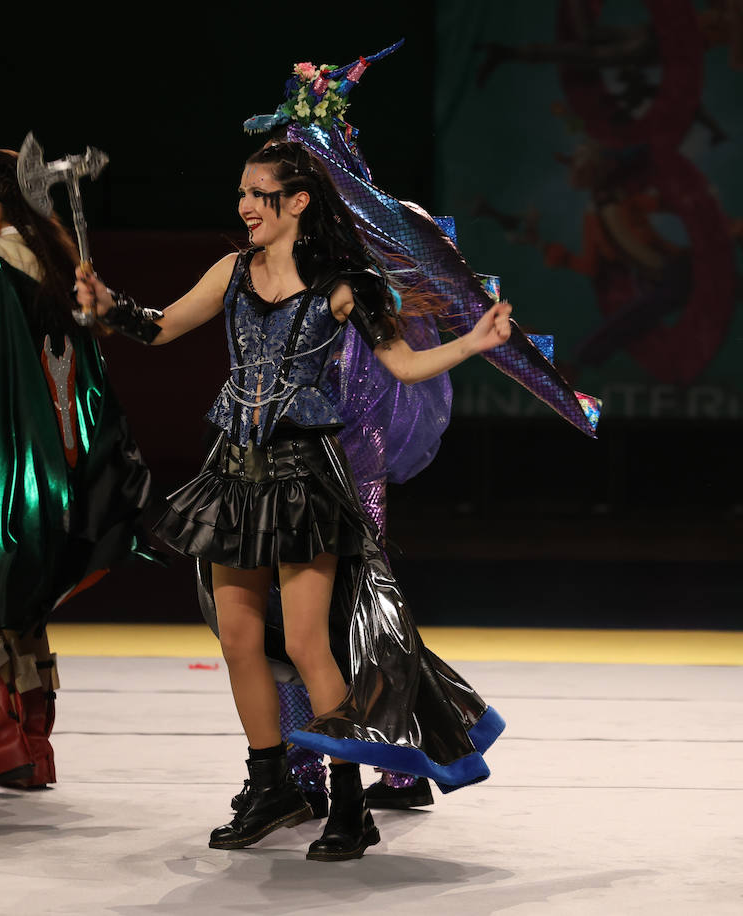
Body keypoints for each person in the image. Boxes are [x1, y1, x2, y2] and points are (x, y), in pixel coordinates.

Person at [75, 140, 516, 861]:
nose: (244, 206)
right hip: (235, 475)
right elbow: (157, 327)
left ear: (297, 202)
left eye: (258, 193)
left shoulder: (343, 286)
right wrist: (109, 308)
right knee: (241, 638)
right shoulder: (232, 272)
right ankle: (271, 785)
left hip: (301, 479)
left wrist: (472, 343)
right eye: (242, 194)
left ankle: (349, 805)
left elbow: (402, 364)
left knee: (311, 642)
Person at [241, 46, 602, 816]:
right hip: (277, 458)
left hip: (345, 450)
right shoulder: (263, 260)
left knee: (354, 608)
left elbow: (410, 345)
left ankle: (376, 761)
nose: (255, 199)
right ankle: (341, 765)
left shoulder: (369, 246)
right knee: (302, 614)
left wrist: (482, 345)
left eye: (286, 175)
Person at [0, 149, 153, 792]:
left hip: (3, 471)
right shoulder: (60, 269)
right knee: (17, 597)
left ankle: (3, 738)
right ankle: (34, 744)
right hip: (68, 473)